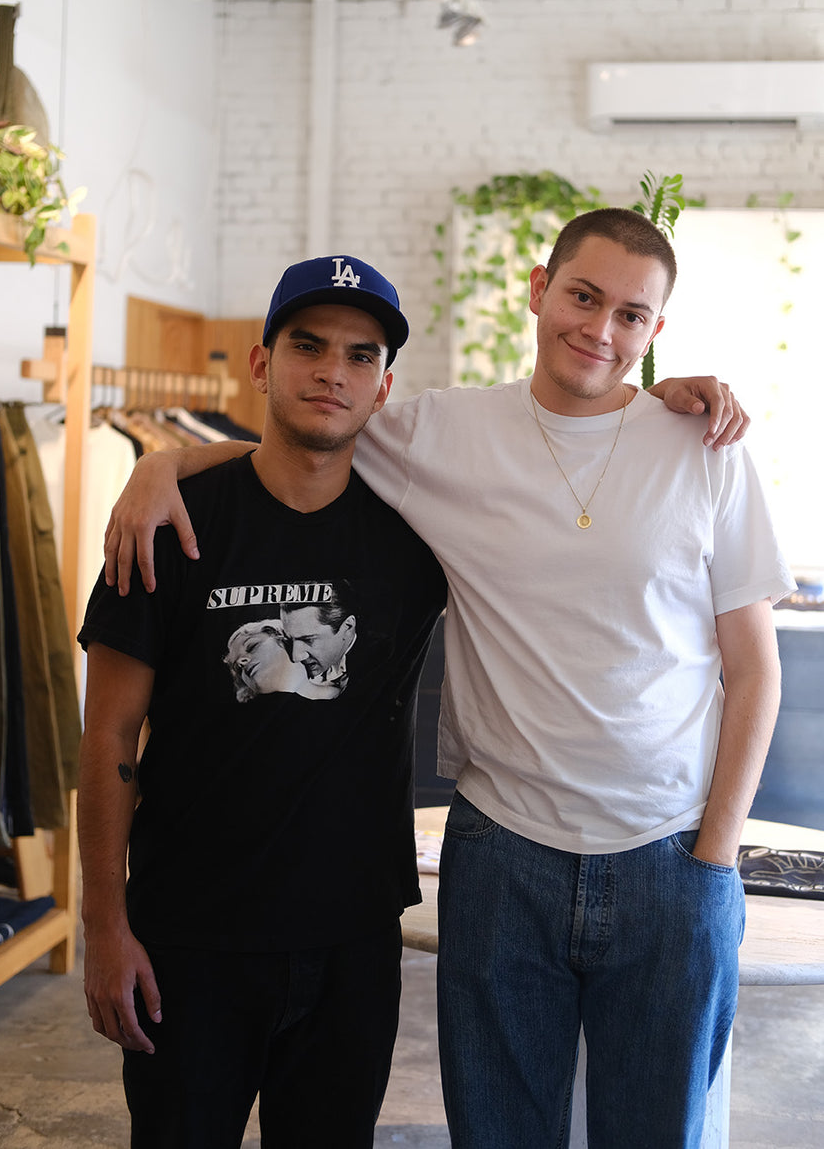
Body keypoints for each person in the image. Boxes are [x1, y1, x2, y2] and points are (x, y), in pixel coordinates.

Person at [103, 213, 791, 1149]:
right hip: (502, 853)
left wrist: (714, 862)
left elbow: (756, 670)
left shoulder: (702, 449)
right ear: (539, 287)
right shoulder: (440, 432)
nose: (600, 328)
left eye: (632, 314)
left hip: (667, 855)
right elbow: (304, 439)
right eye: (583, 296)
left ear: (656, 330)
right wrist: (165, 460)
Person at [77, 255, 447, 1149]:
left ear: (384, 386)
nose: (332, 371)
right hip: (188, 941)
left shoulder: (417, 539)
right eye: (307, 345)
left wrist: (668, 401)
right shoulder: (170, 522)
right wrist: (104, 926)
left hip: (352, 940)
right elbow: (109, 736)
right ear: (260, 363)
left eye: (360, 356)